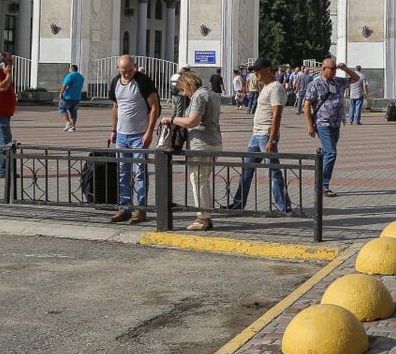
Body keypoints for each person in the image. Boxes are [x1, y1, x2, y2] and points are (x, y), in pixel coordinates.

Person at [229, 57, 291, 214]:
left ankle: (284, 208)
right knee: (247, 170)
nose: (256, 73)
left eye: (258, 70)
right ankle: (238, 204)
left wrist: (271, 138)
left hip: (265, 135)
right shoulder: (265, 87)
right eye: (254, 70)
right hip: (256, 135)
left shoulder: (275, 87)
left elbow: (277, 115)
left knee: (273, 171)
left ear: (268, 69)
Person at [107, 55, 160, 224]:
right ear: (118, 69)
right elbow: (115, 107)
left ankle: (141, 209)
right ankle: (124, 208)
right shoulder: (115, 82)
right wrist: (113, 130)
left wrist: (149, 132)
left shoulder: (143, 81)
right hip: (122, 136)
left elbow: (154, 107)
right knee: (122, 173)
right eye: (124, 70)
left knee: (140, 173)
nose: (128, 73)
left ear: (134, 67)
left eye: (130, 70)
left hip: (139, 135)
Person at [167, 70, 223, 230]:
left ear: (189, 85)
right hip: (214, 141)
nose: (184, 94)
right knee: (203, 180)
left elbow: (193, 121)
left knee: (198, 181)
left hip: (201, 143)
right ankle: (205, 215)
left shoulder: (198, 96)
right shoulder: (212, 94)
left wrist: (171, 119)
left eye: (184, 89)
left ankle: (202, 219)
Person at [304, 59, 360, 197]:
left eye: (335, 69)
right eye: (332, 68)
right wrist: (310, 125)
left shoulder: (338, 82)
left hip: (336, 123)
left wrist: (345, 68)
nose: (334, 71)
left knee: (328, 152)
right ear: (324, 69)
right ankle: (323, 185)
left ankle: (320, 161)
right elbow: (306, 105)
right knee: (331, 153)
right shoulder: (315, 84)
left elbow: (356, 78)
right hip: (323, 123)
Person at [59, 64, 84, 132]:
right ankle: (72, 127)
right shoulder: (81, 77)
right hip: (77, 97)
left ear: (71, 69)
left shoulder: (70, 75)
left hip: (68, 96)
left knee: (62, 108)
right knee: (73, 112)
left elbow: (64, 84)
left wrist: (61, 93)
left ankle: (68, 123)